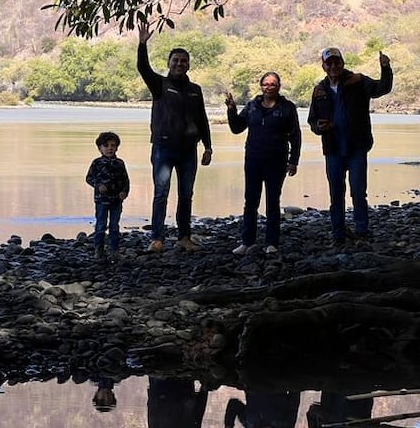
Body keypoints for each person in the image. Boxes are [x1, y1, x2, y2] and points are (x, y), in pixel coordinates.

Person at [137, 22, 213, 253]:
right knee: (161, 193)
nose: (179, 64)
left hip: (188, 150)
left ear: (188, 64)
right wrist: (142, 44)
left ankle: (184, 237)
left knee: (186, 195)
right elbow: (143, 68)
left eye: (183, 61)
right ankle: (157, 238)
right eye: (175, 60)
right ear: (169, 63)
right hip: (163, 148)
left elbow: (202, 118)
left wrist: (208, 147)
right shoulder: (159, 84)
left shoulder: (195, 90)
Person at [308, 47, 393, 249]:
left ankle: (361, 231)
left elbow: (382, 88)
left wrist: (385, 68)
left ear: (342, 63)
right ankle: (338, 234)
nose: (333, 66)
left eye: (337, 61)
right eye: (329, 62)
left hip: (357, 147)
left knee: (358, 192)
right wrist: (319, 127)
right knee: (336, 194)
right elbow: (312, 120)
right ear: (323, 66)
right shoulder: (319, 90)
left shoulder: (358, 81)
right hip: (333, 149)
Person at [225, 72, 301, 256]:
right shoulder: (252, 106)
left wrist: (293, 161)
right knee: (250, 201)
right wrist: (231, 110)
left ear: (279, 87)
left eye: (273, 84)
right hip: (253, 159)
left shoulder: (287, 108)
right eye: (266, 84)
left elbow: (295, 135)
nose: (269, 87)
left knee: (273, 202)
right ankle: (247, 242)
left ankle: (271, 243)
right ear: (261, 86)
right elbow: (237, 128)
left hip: (277, 160)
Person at [85, 131, 130, 260]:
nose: (110, 148)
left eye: (113, 145)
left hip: (116, 201)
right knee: (101, 225)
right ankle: (98, 250)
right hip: (101, 200)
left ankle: (114, 251)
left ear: (117, 147)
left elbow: (126, 180)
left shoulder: (120, 163)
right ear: (100, 148)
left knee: (114, 226)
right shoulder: (97, 163)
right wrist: (98, 185)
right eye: (106, 145)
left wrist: (124, 192)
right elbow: (88, 178)